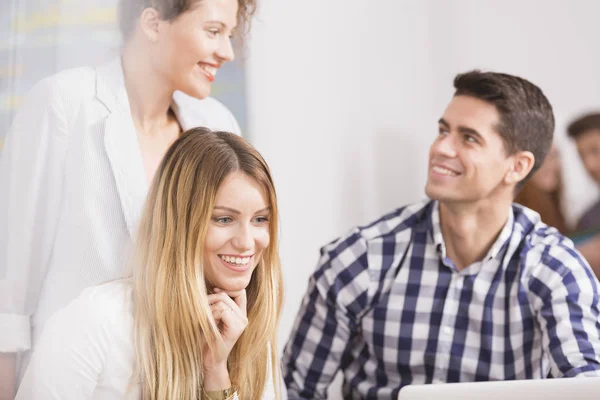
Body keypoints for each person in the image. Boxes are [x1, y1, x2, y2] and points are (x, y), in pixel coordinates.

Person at [282, 71, 600, 398]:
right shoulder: (361, 258)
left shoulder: (555, 268)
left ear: (517, 166)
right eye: (443, 130)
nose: (441, 148)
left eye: (469, 138)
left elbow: (585, 385)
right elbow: (295, 391)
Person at [0, 0, 255, 397]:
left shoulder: (217, 124)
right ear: (153, 23)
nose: (227, 51)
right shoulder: (65, 104)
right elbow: (9, 298)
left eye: (230, 34)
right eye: (213, 31)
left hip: (181, 382)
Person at [15, 129, 283, 399]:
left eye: (260, 220)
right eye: (224, 219)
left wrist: (215, 370)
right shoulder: (96, 321)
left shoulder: (251, 332)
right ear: (180, 224)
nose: (247, 242)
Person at [515, 145, 570, 234]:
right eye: (540, 158)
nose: (549, 165)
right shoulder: (520, 217)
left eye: (553, 156)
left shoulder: (557, 208)